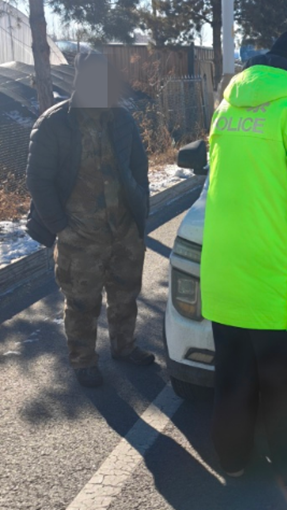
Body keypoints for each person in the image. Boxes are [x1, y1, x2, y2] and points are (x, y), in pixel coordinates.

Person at [200, 28, 287, 486]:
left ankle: (232, 459)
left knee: (232, 376)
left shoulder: (228, 104)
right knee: (286, 384)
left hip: (224, 276)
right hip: (275, 281)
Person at [26, 53, 155, 388]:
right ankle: (83, 361)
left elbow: (139, 168)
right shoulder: (54, 123)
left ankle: (124, 347)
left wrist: (140, 209)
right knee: (82, 303)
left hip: (124, 231)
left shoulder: (122, 119)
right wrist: (60, 227)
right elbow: (38, 180)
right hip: (79, 237)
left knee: (126, 295)